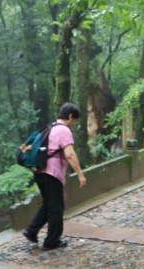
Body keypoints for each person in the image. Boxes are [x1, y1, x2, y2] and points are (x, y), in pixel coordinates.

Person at [22, 102, 87, 250]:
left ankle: (31, 231)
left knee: (48, 204)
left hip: (39, 171)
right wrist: (80, 174)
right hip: (52, 173)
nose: (73, 123)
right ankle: (52, 241)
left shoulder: (49, 127)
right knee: (57, 208)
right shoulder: (64, 130)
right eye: (74, 120)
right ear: (70, 116)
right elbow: (70, 154)